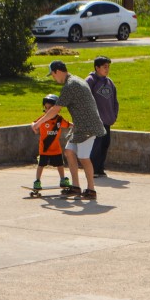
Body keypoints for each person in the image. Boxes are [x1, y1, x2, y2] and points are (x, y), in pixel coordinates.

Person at [33, 61, 106, 199]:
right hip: (80, 126)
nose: (54, 79)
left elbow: (55, 109)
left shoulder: (70, 85)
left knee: (84, 158)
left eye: (53, 75)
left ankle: (91, 190)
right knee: (69, 151)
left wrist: (38, 123)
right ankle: (76, 187)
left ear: (57, 71)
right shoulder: (75, 80)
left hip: (88, 127)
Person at [86, 56, 118, 178]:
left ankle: (100, 168)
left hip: (107, 121)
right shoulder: (90, 81)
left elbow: (115, 100)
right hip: (95, 121)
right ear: (97, 68)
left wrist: (114, 115)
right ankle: (92, 169)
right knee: (96, 145)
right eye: (104, 67)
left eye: (108, 66)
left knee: (105, 144)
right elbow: (85, 99)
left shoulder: (109, 82)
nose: (107, 69)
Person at [32, 94, 71, 191]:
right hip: (44, 148)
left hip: (56, 149)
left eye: (50, 108)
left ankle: (62, 179)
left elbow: (68, 124)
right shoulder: (42, 119)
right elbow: (34, 123)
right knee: (41, 165)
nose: (47, 110)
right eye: (46, 107)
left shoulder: (59, 119)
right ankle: (37, 181)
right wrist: (34, 127)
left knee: (60, 165)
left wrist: (77, 126)